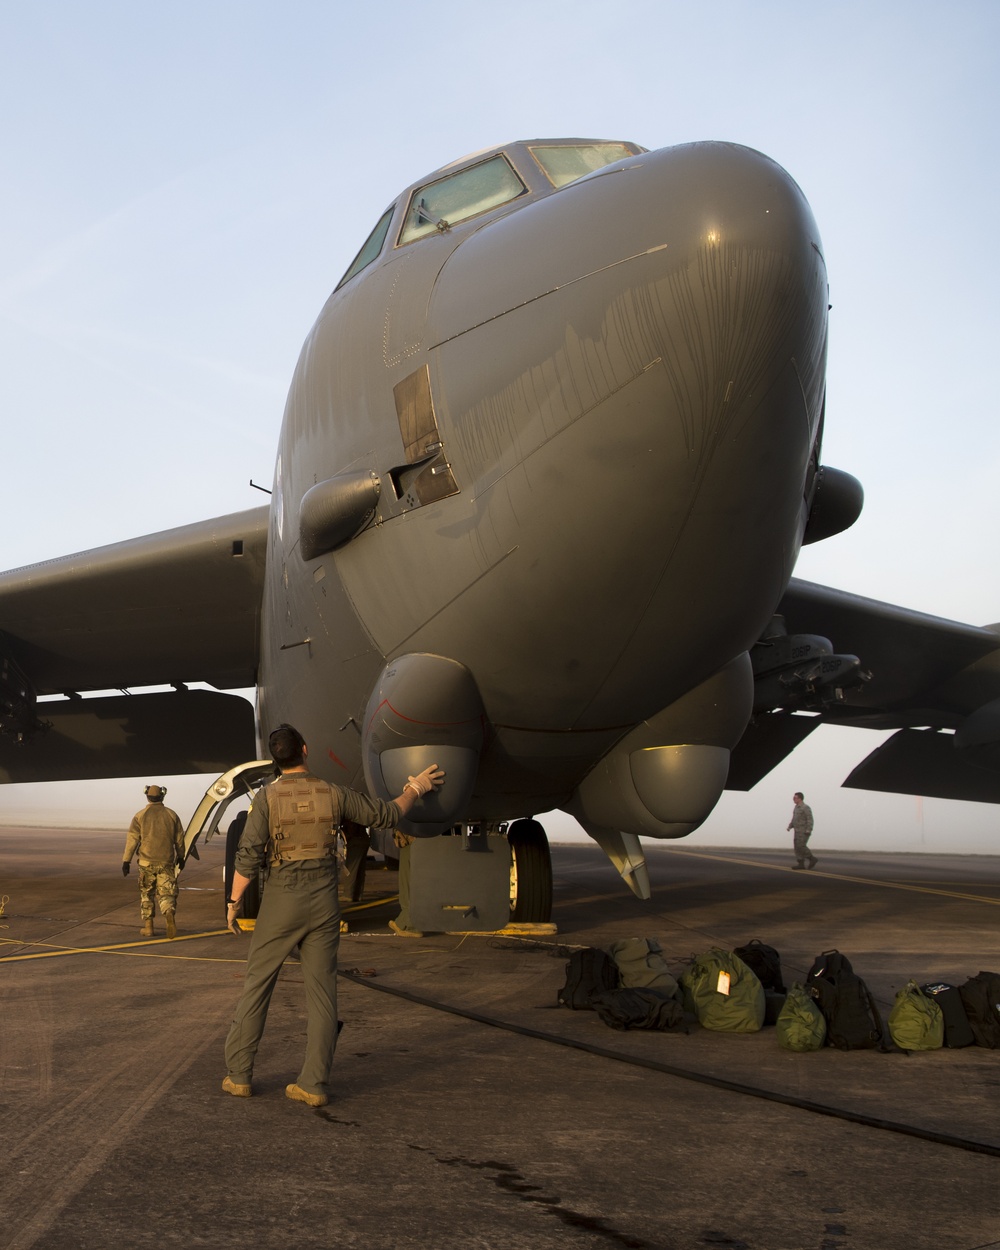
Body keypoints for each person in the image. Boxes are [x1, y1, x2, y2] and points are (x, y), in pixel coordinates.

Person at [222, 723, 444, 1107]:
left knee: (257, 986)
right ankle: (313, 1084)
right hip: (324, 900)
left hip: (281, 900)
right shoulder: (334, 793)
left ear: (276, 759)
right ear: (305, 751)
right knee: (323, 994)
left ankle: (240, 1076)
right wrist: (417, 787)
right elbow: (388, 815)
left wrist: (234, 902)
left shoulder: (266, 800)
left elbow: (248, 854)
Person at [121, 784, 185, 938]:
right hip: (166, 862)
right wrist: (181, 857)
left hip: (145, 863)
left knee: (147, 894)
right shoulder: (172, 815)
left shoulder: (140, 815)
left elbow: (132, 839)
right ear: (163, 796)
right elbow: (179, 839)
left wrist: (126, 861)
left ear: (147, 796)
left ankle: (148, 927)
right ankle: (169, 912)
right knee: (167, 892)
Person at [787, 791, 817, 869]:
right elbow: (794, 819)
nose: (793, 799)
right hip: (797, 831)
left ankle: (812, 858)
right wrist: (790, 826)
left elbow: (810, 819)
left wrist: (808, 829)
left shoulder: (805, 807)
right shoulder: (796, 808)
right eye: (793, 798)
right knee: (797, 847)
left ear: (800, 798)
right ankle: (801, 864)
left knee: (801, 846)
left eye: (795, 798)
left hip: (804, 831)